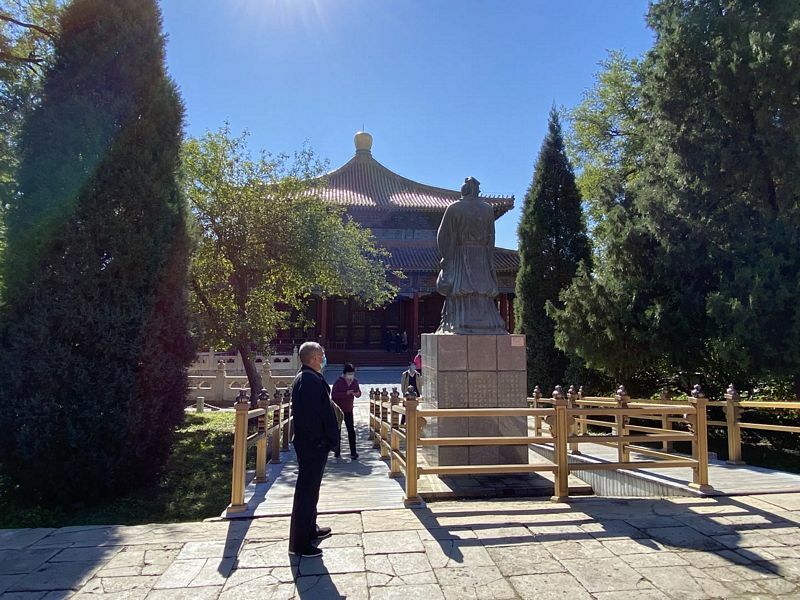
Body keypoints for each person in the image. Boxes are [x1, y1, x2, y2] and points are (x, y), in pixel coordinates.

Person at [435, 176, 507, 334]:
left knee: (461, 287)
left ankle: (459, 322)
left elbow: (442, 235)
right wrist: (489, 256)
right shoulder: (487, 209)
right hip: (481, 256)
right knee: (483, 287)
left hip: (462, 253)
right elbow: (491, 236)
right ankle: (489, 324)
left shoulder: (454, 208)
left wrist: (446, 256)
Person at [288, 341, 339, 558]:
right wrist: (320, 441)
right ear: (314, 357)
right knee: (306, 492)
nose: (324, 357)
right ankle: (300, 544)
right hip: (312, 445)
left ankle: (310, 528)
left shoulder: (309, 377)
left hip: (314, 444)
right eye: (322, 354)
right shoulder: (308, 380)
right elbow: (309, 417)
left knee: (312, 490)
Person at [331, 363, 361, 459]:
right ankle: (337, 451)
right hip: (338, 410)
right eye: (349, 374)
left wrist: (357, 394)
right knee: (337, 431)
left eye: (352, 374)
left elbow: (359, 392)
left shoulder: (355, 381)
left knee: (351, 430)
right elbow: (334, 395)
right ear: (344, 374)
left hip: (349, 409)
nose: (350, 376)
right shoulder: (338, 382)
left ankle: (353, 452)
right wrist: (346, 393)